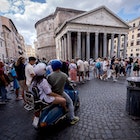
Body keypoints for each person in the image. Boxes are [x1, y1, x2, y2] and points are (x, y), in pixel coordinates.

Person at [48, 59, 79, 125]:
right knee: (70, 102)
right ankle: (72, 118)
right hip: (60, 93)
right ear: (60, 66)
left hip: (52, 94)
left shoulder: (49, 76)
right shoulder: (64, 75)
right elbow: (68, 83)